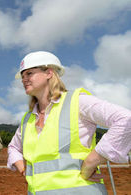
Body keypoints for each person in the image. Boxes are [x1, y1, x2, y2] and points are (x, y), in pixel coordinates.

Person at [7, 51, 131, 194]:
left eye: (29, 73)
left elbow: (126, 119)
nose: (24, 79)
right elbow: (13, 148)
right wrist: (23, 168)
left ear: (49, 73)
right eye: (22, 76)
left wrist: (92, 161)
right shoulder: (27, 119)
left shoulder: (77, 102)